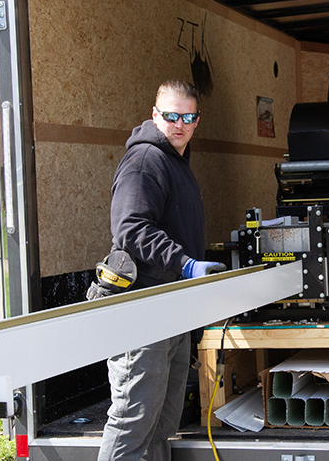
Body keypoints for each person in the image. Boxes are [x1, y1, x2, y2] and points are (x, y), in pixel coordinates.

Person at [98, 80, 225, 461]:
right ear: (155, 116)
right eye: (171, 116)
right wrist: (185, 264)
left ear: (197, 120)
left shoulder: (178, 163)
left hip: (172, 311)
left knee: (162, 424)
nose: (179, 124)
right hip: (142, 309)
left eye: (187, 117)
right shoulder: (145, 161)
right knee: (132, 422)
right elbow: (130, 228)